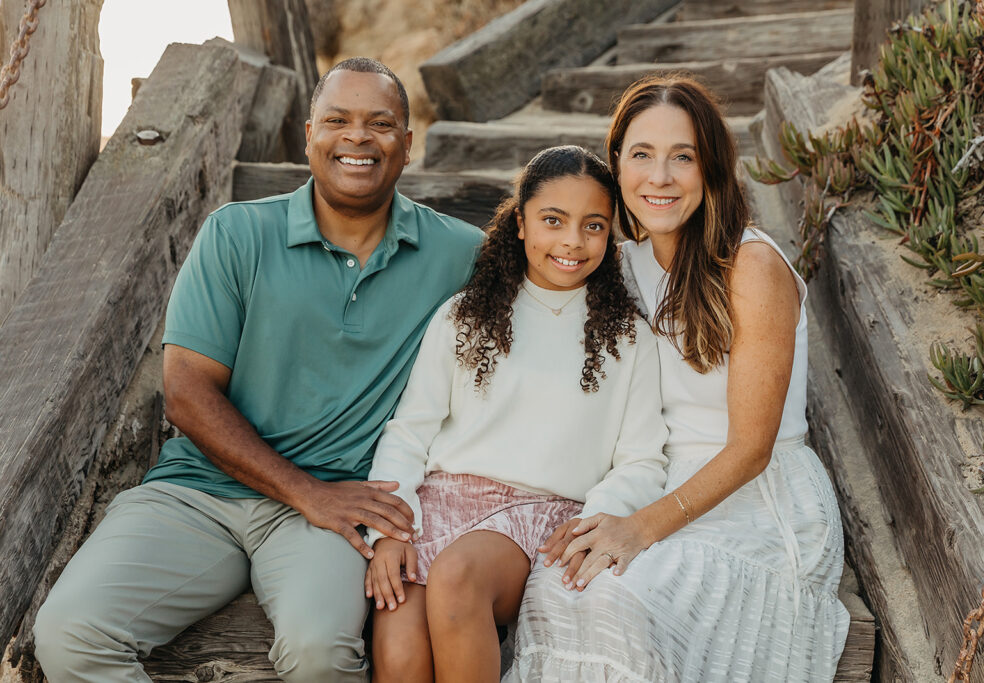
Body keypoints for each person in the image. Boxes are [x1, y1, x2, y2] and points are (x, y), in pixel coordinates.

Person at [32, 58, 483, 682]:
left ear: (408, 145)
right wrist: (306, 493)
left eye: (380, 123)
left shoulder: (461, 256)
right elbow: (187, 394)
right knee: (67, 634)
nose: (357, 137)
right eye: (337, 120)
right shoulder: (237, 234)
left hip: (339, 510)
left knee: (320, 654)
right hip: (200, 493)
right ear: (308, 135)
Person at [505, 76, 850, 682]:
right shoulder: (618, 265)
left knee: (622, 598)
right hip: (651, 478)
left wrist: (639, 529)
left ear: (710, 168)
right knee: (556, 590)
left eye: (681, 157)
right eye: (641, 155)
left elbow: (751, 449)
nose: (659, 177)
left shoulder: (751, 266)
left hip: (760, 499)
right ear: (616, 165)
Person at [364, 145, 668, 683]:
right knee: (400, 647)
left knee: (458, 578)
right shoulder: (467, 315)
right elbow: (410, 432)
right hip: (438, 505)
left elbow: (642, 459)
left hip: (538, 517)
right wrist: (388, 529)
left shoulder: (627, 337)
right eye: (553, 220)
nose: (572, 241)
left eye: (593, 225)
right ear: (521, 222)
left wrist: (597, 516)